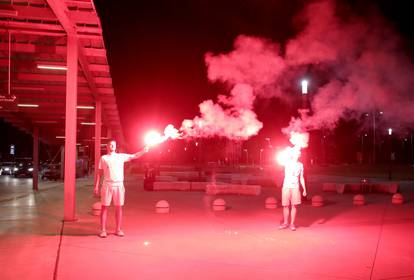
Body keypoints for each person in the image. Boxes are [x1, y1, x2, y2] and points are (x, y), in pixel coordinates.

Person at [94, 139, 149, 238]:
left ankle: (118, 229)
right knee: (104, 207)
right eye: (110, 145)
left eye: (113, 145)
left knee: (119, 207)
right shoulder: (103, 158)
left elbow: (134, 156)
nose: (112, 146)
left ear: (116, 147)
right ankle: (103, 230)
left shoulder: (121, 157)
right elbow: (99, 173)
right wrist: (97, 186)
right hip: (107, 184)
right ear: (107, 146)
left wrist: (143, 151)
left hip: (119, 184)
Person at [279, 148, 307, 231]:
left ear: (299, 155)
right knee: (285, 206)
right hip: (286, 186)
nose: (297, 155)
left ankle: (292, 224)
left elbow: (301, 177)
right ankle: (285, 223)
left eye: (299, 154)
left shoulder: (300, 165)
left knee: (294, 206)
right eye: (296, 153)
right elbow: (281, 158)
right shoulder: (287, 162)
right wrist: (290, 150)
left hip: (295, 187)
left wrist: (304, 189)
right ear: (293, 154)